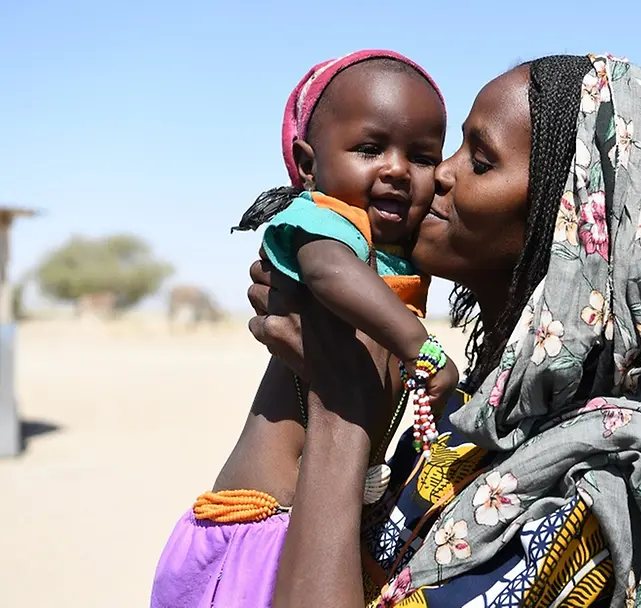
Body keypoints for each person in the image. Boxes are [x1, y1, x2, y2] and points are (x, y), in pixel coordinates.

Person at [249, 53, 641, 607]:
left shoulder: (599, 492)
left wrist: (339, 412)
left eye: (480, 162)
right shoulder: (466, 418)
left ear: (571, 228)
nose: (440, 174)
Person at [150, 49, 453, 608]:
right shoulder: (321, 220)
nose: (396, 169)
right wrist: (422, 347)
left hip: (309, 525)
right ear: (308, 164)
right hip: (253, 532)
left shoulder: (396, 257)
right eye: (370, 149)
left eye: (422, 157)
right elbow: (328, 272)